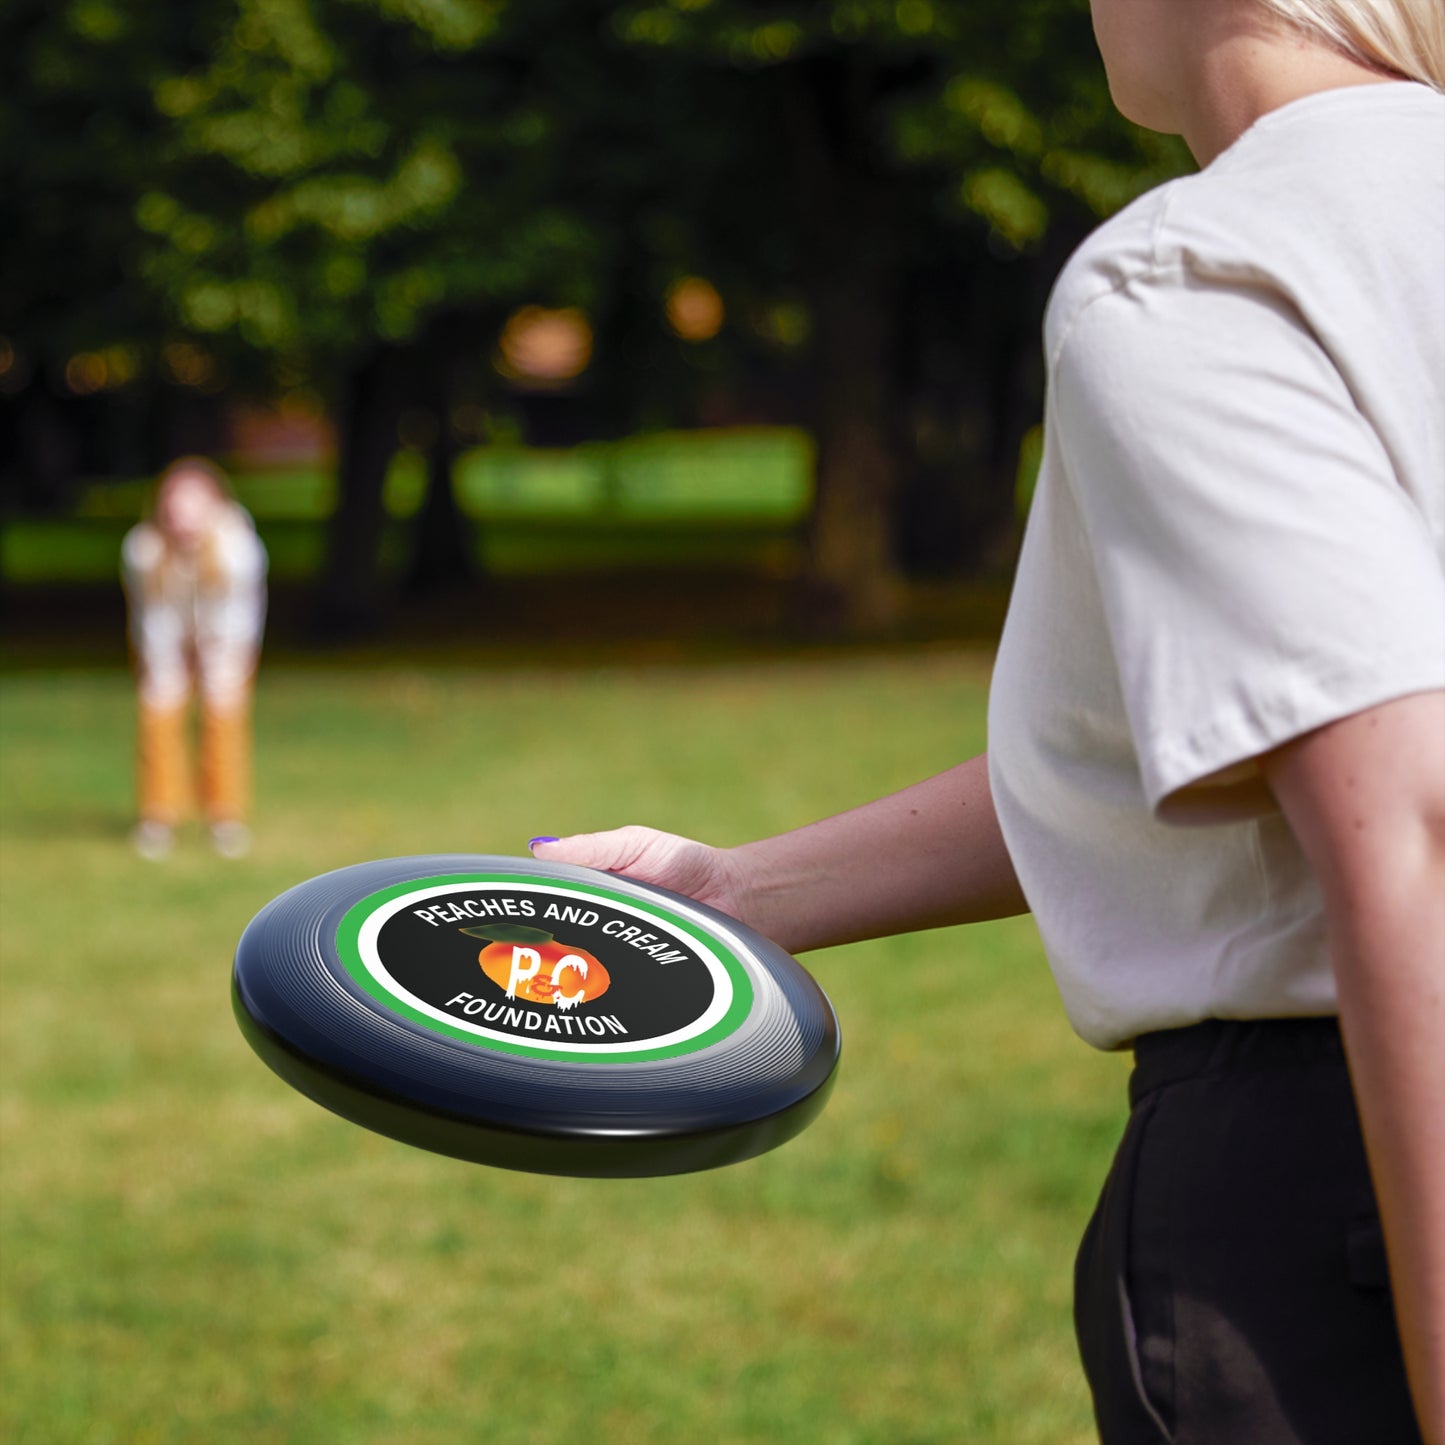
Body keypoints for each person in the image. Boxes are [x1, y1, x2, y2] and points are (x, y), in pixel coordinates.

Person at [528, 2, 1445, 1440]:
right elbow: (1224, 739)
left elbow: (1409, 821)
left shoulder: (1204, 269)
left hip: (1342, 1190)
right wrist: (737, 891)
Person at [121, 457, 268, 860]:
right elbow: (152, 616)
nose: (182, 517)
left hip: (226, 641)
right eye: (174, 506)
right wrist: (168, 664)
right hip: (165, 640)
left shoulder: (239, 549)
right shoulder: (143, 549)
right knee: (158, 712)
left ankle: (225, 818)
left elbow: (239, 616)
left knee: (223, 717)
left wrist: (215, 659)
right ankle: (158, 816)